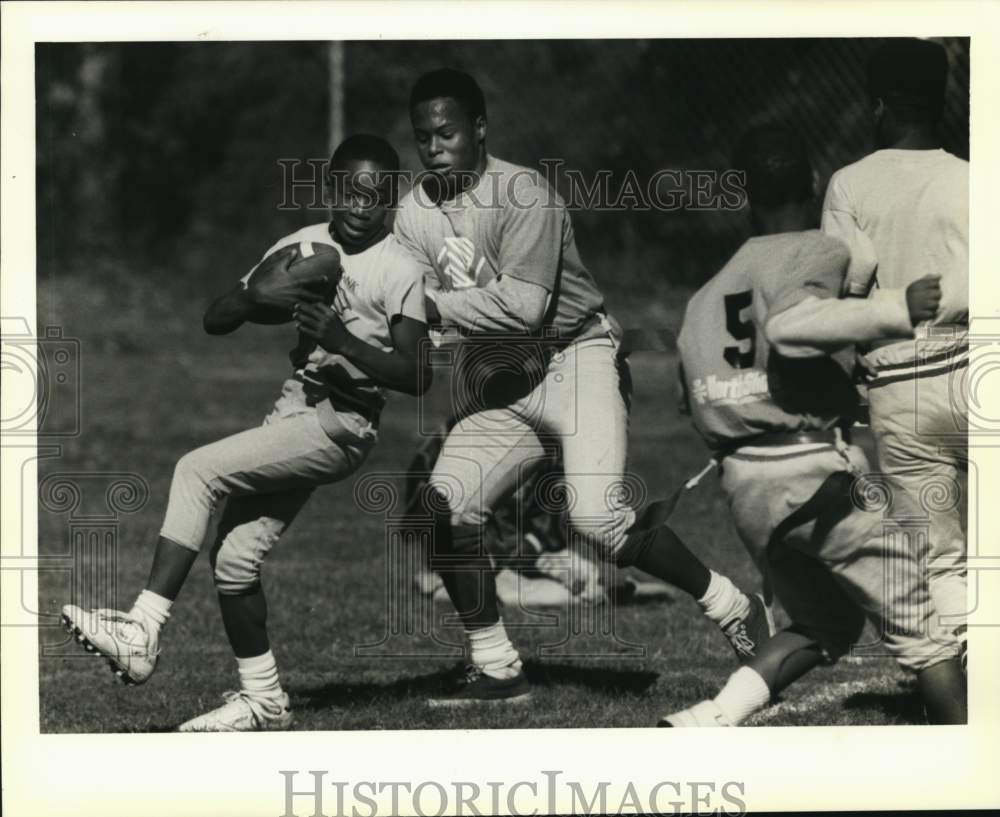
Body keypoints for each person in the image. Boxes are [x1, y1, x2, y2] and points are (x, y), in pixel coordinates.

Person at [394, 68, 770, 706]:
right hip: (502, 379)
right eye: (423, 136)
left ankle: (733, 606)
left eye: (449, 132)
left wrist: (427, 312)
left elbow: (525, 307)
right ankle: (496, 667)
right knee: (446, 506)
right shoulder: (413, 212)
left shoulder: (524, 195)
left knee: (597, 518)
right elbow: (416, 310)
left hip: (575, 357)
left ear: (480, 128)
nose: (435, 147)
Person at [61, 134, 431, 731]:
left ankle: (142, 628)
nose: (362, 204)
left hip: (343, 422)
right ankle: (264, 700)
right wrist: (256, 295)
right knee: (234, 560)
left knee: (195, 469)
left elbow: (417, 374)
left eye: (378, 193)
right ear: (331, 188)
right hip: (295, 414)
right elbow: (215, 319)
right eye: (351, 190)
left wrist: (339, 340)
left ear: (393, 198)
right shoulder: (302, 246)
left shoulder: (401, 268)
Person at [661, 124, 966, 727]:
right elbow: (792, 329)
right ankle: (974, 759)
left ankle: (709, 721)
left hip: (746, 490)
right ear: (812, 184)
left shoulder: (706, 292)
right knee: (925, 632)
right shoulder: (820, 250)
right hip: (811, 474)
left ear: (744, 196)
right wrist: (890, 309)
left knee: (825, 623)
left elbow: (689, 397)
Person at [821, 38, 969, 662]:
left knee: (939, 556)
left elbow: (848, 283)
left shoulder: (850, 184)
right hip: (979, 364)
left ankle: (972, 681)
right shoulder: (975, 179)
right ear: (943, 103)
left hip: (899, 382)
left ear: (877, 106)